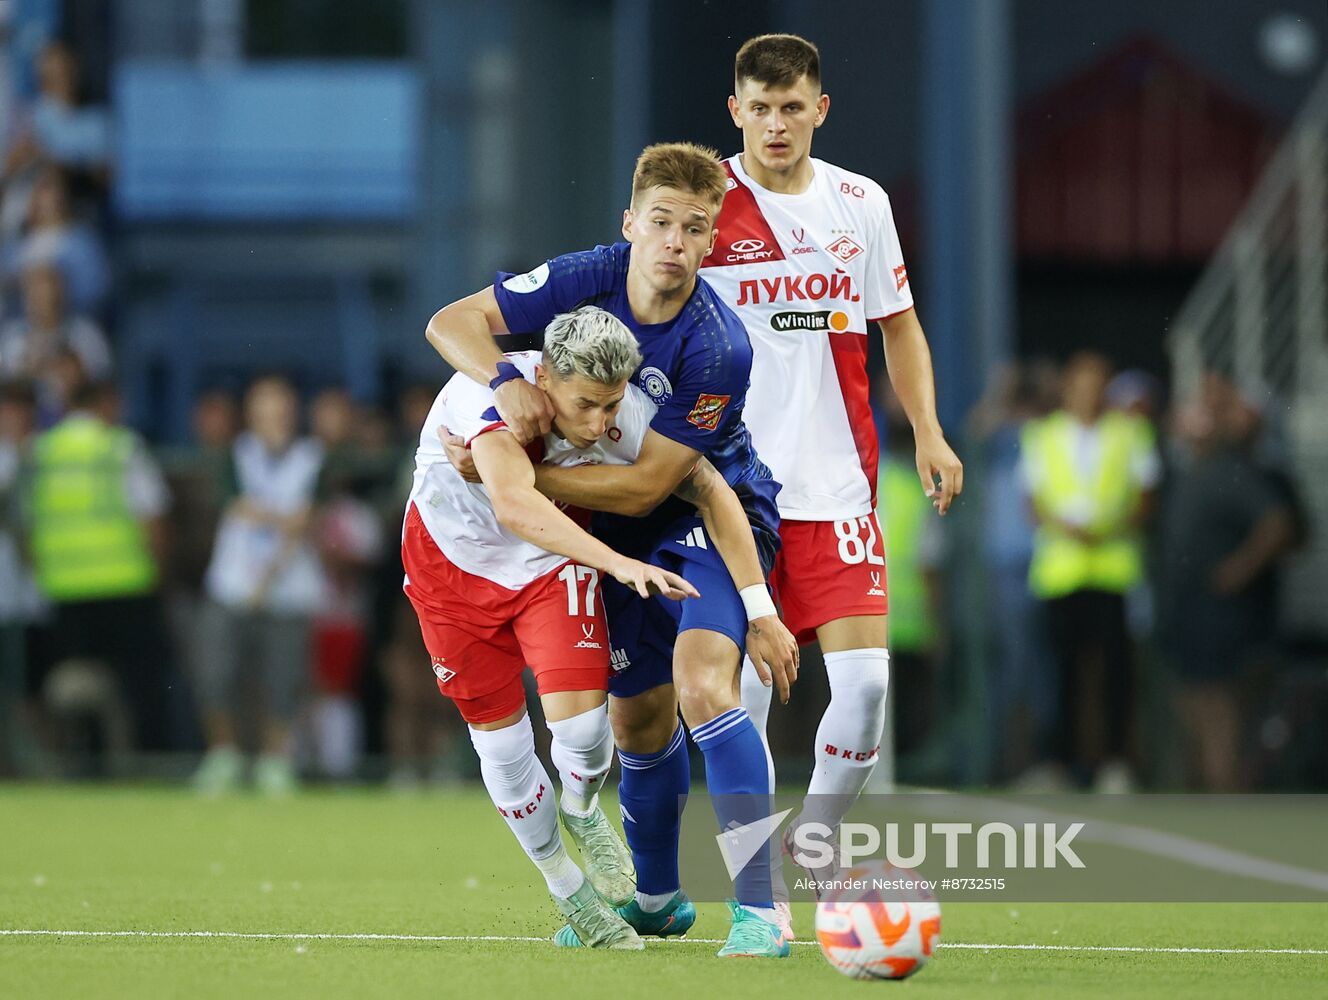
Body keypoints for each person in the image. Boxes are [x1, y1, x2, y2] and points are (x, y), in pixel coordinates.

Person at [431, 142, 799, 958]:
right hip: (606, 536)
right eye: (660, 221)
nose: (674, 240)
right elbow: (448, 322)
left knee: (703, 684)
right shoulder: (585, 277)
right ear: (631, 223)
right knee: (635, 722)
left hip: (702, 510)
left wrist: (516, 480)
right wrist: (504, 384)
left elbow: (651, 486)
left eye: (694, 228)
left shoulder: (716, 349)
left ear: (713, 242)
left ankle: (762, 908)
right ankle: (660, 901)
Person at [696, 34, 963, 906]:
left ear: (820, 108)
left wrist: (927, 429)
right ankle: (753, 891)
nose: (777, 125)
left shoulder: (860, 203)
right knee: (743, 699)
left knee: (868, 689)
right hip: (734, 496)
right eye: (760, 110)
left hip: (841, 486)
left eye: (793, 107)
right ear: (735, 113)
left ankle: (814, 838)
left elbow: (901, 326)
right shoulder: (704, 206)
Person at [408, 304, 759, 948]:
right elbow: (515, 504)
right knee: (506, 753)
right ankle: (567, 887)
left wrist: (759, 608)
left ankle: (580, 810)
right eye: (586, 406)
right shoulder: (483, 404)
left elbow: (707, 488)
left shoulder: (620, 411)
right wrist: (620, 564)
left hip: (548, 564)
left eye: (612, 405)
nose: (601, 424)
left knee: (586, 729)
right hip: (452, 576)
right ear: (545, 379)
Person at [1019, 352, 1160, 791]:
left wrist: (1108, 529)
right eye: (1080, 383)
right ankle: (1059, 763)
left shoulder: (1131, 433)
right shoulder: (1042, 435)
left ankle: (1115, 764)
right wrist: (1065, 527)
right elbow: (1034, 501)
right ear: (1067, 387)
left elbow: (1145, 497)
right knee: (1061, 673)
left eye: (1097, 383)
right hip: (1061, 572)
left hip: (1113, 571)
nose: (1088, 392)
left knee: (1116, 673)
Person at [19, 380, 172, 768]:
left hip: (64, 588)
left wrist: (42, 572)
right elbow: (152, 516)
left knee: (70, 685)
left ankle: (77, 763)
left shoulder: (41, 452)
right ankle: (141, 763)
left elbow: (24, 525)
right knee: (137, 684)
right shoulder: (120, 447)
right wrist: (159, 572)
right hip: (126, 583)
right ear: (107, 403)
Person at [193, 375, 325, 796]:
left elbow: (303, 520)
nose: (275, 414)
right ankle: (224, 755)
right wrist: (285, 518)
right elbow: (239, 505)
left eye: (282, 404)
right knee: (217, 671)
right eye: (265, 405)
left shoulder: (312, 456)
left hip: (288, 589)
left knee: (284, 678)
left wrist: (268, 574)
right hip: (231, 583)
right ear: (251, 412)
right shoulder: (234, 454)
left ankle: (274, 760)